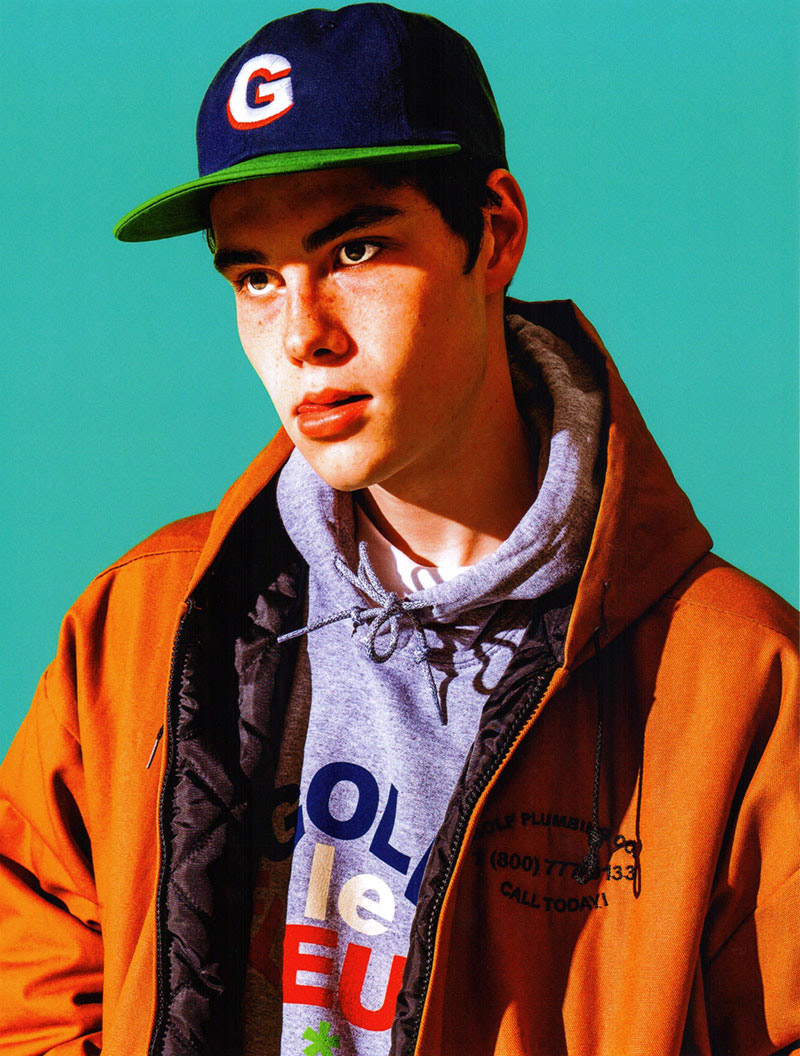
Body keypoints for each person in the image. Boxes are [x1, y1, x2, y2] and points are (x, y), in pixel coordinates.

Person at [1, 4, 797, 1054]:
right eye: (255, 276)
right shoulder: (143, 619)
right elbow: (29, 965)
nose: (303, 335)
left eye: (356, 249)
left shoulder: (735, 677)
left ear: (494, 234)